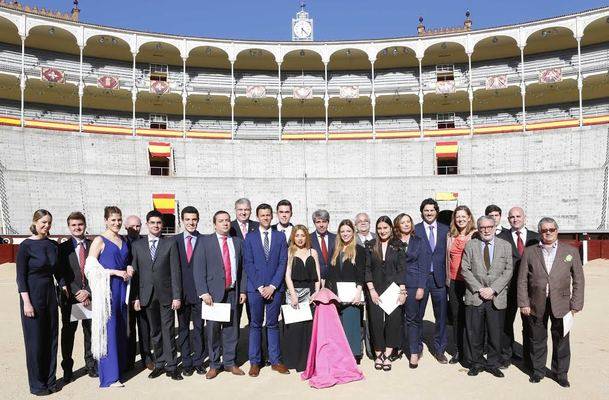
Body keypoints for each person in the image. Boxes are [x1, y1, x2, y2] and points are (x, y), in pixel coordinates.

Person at [518, 217, 584, 388]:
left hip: (562, 304)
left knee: (561, 340)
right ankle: (538, 371)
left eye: (551, 229)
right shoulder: (530, 251)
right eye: (544, 230)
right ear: (540, 232)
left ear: (557, 230)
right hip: (535, 303)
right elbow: (522, 280)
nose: (548, 232)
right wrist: (523, 303)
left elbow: (578, 280)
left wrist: (576, 303)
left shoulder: (570, 251)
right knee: (537, 340)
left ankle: (560, 373)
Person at [194, 211, 247, 379]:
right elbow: (198, 269)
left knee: (232, 330)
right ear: (214, 224)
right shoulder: (205, 242)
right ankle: (214, 364)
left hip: (233, 292)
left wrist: (243, 290)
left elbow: (243, 269)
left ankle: (230, 362)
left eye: (227, 220)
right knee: (213, 331)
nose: (225, 223)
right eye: (221, 221)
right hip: (213, 295)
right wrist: (203, 292)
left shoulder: (237, 242)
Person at [16, 209, 63, 395]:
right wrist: (26, 302)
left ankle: (51, 380)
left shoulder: (52, 245)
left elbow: (58, 272)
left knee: (51, 338)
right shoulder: (26, 246)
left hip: (50, 295)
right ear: (35, 222)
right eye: (43, 222)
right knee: (35, 342)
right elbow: (21, 277)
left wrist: (64, 286)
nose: (46, 226)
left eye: (49, 222)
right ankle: (37, 384)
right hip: (32, 296)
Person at [132, 210, 183, 381]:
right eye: (152, 222)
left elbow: (175, 271)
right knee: (155, 332)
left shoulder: (169, 243)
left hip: (166, 295)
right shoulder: (137, 246)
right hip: (147, 295)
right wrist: (136, 297)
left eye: (159, 223)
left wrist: (177, 296)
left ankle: (172, 365)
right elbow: (136, 273)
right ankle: (159, 364)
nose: (156, 225)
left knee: (168, 330)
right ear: (147, 224)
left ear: (162, 225)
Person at [460, 216, 513, 378]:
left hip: (496, 297)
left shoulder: (505, 246)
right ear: (478, 228)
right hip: (476, 296)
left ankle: (493, 363)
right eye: (482, 227)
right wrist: (479, 289)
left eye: (489, 226)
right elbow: (464, 269)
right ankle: (476, 363)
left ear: (495, 226)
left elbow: (508, 270)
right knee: (474, 332)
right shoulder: (471, 245)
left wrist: (493, 289)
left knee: (495, 333)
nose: (486, 230)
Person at [85, 206, 132, 388]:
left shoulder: (123, 239)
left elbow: (125, 262)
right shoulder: (99, 240)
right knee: (109, 331)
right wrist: (113, 272)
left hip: (122, 290)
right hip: (107, 291)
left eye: (119, 220)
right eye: (113, 220)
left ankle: (119, 370)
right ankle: (110, 377)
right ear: (105, 220)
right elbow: (89, 267)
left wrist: (128, 268)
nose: (117, 223)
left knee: (120, 328)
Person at [243, 203, 289, 376]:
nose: (265, 217)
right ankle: (255, 362)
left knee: (272, 324)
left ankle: (275, 360)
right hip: (256, 289)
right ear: (257, 217)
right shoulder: (250, 237)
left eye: (268, 215)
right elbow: (248, 263)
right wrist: (261, 286)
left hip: (274, 289)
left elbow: (282, 262)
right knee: (255, 325)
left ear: (273, 216)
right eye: (262, 215)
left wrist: (273, 286)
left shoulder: (279, 237)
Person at [497, 207, 540, 370]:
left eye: (518, 216)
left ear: (524, 218)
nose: (515, 219)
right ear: (508, 220)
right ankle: (506, 356)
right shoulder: (501, 237)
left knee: (529, 325)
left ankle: (529, 359)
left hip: (530, 290)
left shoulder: (536, 238)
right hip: (507, 288)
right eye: (512, 217)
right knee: (506, 324)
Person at [57, 212, 97, 383]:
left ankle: (91, 365)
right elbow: (60, 273)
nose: (77, 227)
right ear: (69, 227)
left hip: (89, 297)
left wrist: (87, 290)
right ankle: (68, 368)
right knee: (68, 334)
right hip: (70, 299)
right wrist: (76, 292)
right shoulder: (62, 248)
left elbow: (97, 271)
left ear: (85, 225)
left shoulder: (93, 245)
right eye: (73, 225)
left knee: (90, 332)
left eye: (80, 224)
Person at [364, 216, 406, 372]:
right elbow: (367, 269)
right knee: (375, 322)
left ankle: (388, 355)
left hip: (393, 289)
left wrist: (402, 291)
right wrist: (372, 290)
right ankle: (379, 353)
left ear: (390, 228)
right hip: (374, 289)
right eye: (380, 228)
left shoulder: (398, 245)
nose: (382, 231)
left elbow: (402, 269)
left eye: (385, 228)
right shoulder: (370, 246)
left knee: (393, 322)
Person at [324, 219, 366, 363]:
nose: (345, 234)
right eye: (342, 231)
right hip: (337, 294)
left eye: (348, 231)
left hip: (352, 294)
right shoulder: (335, 250)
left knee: (352, 324)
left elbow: (361, 273)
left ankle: (354, 355)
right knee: (340, 325)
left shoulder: (359, 250)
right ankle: (341, 355)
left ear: (353, 233)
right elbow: (330, 273)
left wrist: (359, 291)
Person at [413, 198, 449, 363]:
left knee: (441, 316)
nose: (429, 213)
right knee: (417, 315)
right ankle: (417, 348)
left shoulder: (445, 230)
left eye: (432, 210)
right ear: (422, 212)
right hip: (421, 279)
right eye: (426, 210)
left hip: (439, 280)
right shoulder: (415, 230)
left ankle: (440, 349)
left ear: (437, 212)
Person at [283, 225, 321, 372]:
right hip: (294, 293)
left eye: (302, 235)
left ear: (307, 237)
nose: (300, 238)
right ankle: (294, 361)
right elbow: (287, 275)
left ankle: (308, 361)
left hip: (310, 294)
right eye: (297, 235)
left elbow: (317, 275)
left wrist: (316, 292)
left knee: (308, 328)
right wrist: (293, 294)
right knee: (295, 328)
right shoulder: (289, 252)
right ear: (293, 237)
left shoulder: (313, 252)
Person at [174, 206, 206, 376]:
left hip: (200, 294)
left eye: (194, 219)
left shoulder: (205, 240)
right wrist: (175, 294)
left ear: (198, 220)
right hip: (181, 295)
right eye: (187, 219)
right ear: (182, 220)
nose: (191, 222)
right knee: (184, 329)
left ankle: (199, 361)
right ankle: (186, 362)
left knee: (200, 328)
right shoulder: (174, 240)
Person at [445, 206, 476, 365]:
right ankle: (458, 350)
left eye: (463, 216)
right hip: (454, 281)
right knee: (456, 317)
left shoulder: (475, 235)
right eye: (457, 217)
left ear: (469, 217)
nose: (460, 219)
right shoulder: (450, 236)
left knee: (471, 317)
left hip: (470, 282)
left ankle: (471, 351)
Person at [124, 215, 153, 371]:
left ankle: (147, 357)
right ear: (126, 227)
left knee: (144, 327)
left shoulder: (144, 242)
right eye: (132, 226)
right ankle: (129, 360)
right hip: (126, 292)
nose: (135, 229)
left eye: (138, 226)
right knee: (128, 329)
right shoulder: (121, 243)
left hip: (142, 291)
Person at [310, 209, 336, 280]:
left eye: (324, 222)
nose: (321, 225)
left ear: (328, 222)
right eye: (318, 222)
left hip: (333, 280)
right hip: (316, 280)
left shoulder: (336, 238)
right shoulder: (308, 239)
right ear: (314, 223)